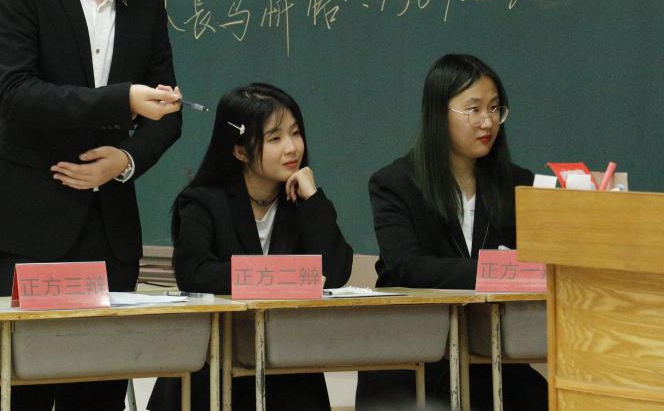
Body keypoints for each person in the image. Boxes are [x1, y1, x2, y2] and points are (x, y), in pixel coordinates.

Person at [0, 0, 183, 410]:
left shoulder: (147, 4)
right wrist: (123, 100)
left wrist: (125, 161)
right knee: (23, 396)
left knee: (100, 394)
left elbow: (168, 113)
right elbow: (17, 95)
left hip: (108, 232)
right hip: (25, 228)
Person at [356, 53, 548, 410]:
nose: (487, 121)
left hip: (491, 361)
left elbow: (540, 264)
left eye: (495, 108)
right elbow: (407, 267)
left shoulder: (519, 184)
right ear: (438, 113)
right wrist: (498, 271)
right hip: (415, 360)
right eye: (473, 109)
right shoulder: (396, 183)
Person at [148, 83, 353, 411]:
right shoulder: (202, 202)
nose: (292, 148)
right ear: (240, 151)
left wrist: (313, 201)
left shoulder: (301, 202)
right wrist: (278, 278)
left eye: (295, 133)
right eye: (275, 138)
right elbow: (195, 273)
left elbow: (336, 272)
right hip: (214, 369)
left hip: (288, 372)